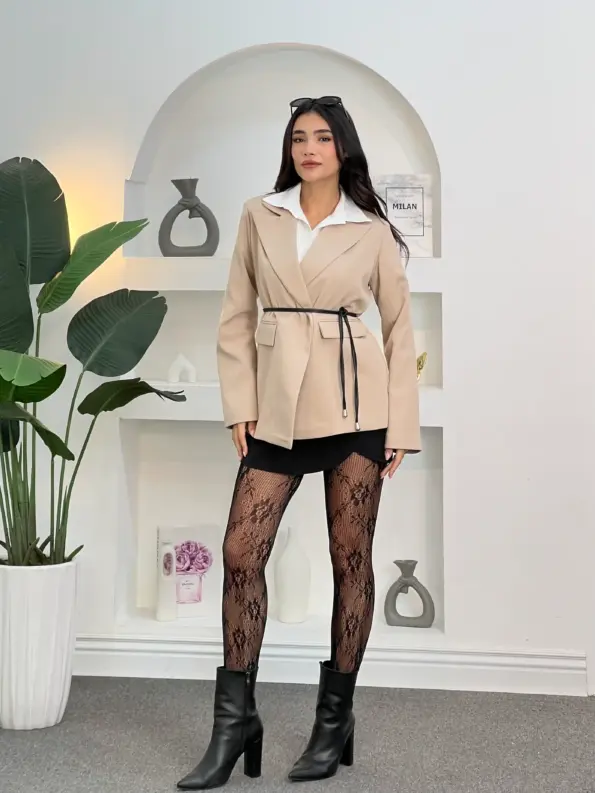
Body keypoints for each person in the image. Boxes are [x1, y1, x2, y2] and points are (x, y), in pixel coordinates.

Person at [176, 95, 421, 790]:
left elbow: (399, 328)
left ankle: (334, 718)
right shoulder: (261, 214)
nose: (308, 149)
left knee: (351, 558)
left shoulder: (370, 229)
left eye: (322, 138)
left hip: (356, 403)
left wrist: (400, 427)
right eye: (298, 138)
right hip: (278, 404)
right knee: (240, 552)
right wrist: (239, 405)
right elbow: (235, 315)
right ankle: (234, 723)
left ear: (343, 149)